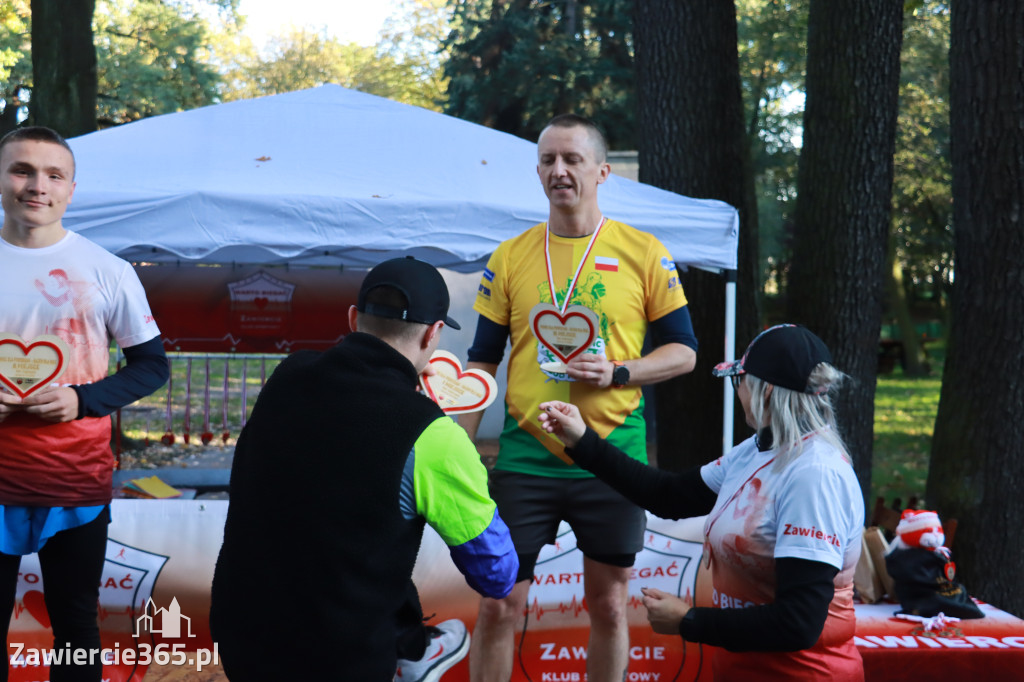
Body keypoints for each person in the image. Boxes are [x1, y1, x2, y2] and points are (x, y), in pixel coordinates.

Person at [460, 114, 698, 681]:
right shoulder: (511, 255)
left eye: (572, 160)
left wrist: (618, 372)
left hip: (611, 454)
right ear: (537, 171)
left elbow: (685, 353)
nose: (559, 171)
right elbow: (481, 361)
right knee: (498, 602)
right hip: (525, 455)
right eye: (548, 160)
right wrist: (462, 442)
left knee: (610, 605)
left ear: (602, 171)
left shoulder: (643, 251)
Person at [210, 256, 519, 681]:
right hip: (343, 660)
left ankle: (414, 644)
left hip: (242, 641)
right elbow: (498, 574)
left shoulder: (288, 375)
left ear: (354, 318)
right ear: (435, 334)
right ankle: (415, 649)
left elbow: (334, 460)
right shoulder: (433, 434)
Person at [538, 324, 866, 681]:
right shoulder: (758, 448)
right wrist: (582, 439)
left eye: (737, 380)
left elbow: (798, 623)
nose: (738, 391)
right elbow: (670, 496)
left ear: (765, 390)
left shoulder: (813, 476)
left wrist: (689, 621)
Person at [0, 126, 169, 681]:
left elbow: (152, 366)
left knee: (75, 624)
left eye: (53, 175)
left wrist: (84, 400)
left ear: (72, 188)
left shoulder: (108, 271)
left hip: (73, 480)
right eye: (22, 170)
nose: (36, 186)